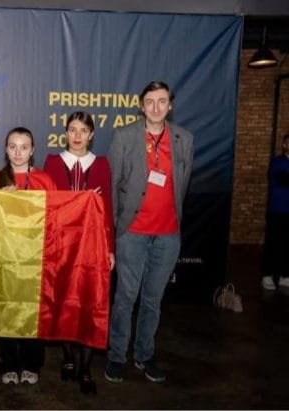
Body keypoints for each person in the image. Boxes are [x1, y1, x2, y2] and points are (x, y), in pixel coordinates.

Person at [105, 81, 194, 384]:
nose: (156, 107)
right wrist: (116, 230)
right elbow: (113, 185)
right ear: (141, 106)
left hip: (168, 235)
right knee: (125, 297)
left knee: (153, 300)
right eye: (150, 102)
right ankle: (117, 356)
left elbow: (183, 184)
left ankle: (144, 355)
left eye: (162, 101)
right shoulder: (124, 137)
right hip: (132, 233)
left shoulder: (184, 139)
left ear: (170, 105)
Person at [44, 111, 115, 395]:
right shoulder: (52, 162)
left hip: (92, 247)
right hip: (61, 247)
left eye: (83, 131)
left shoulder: (102, 164)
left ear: (91, 135)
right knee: (64, 302)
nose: (77, 136)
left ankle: (86, 368)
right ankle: (68, 358)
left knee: (89, 303)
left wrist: (110, 249)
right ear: (65, 132)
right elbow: (46, 205)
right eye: (72, 129)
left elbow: (108, 210)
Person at [0, 126, 57, 385]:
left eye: (24, 147)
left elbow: (56, 216)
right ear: (6, 149)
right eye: (13, 147)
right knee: (6, 310)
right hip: (5, 255)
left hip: (34, 258)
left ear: (32, 150)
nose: (18, 152)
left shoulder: (45, 180)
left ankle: (31, 363)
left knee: (32, 310)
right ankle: (8, 363)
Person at [261, 134, 289, 290]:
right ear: (284, 145)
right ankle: (267, 275)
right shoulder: (277, 162)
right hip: (276, 211)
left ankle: (285, 276)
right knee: (273, 244)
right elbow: (284, 179)